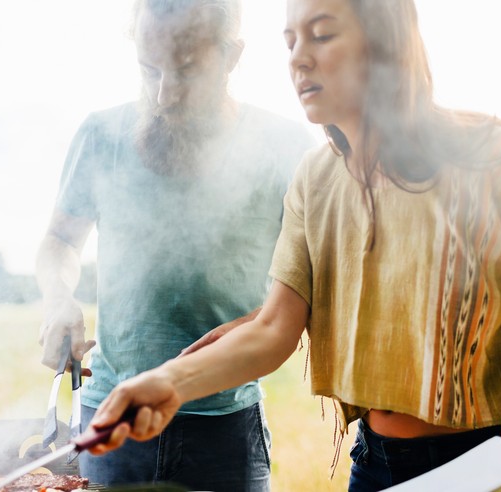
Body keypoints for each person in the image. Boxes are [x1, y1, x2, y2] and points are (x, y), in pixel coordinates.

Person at [83, 0, 501, 491]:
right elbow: (273, 329)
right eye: (289, 42)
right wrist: (169, 383)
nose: (298, 58)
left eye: (322, 34)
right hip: (372, 467)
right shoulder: (315, 179)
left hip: (485, 464)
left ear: (384, 41)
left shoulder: (492, 157)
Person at [35, 0, 315, 490]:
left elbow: (314, 288)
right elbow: (59, 240)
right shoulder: (101, 134)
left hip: (225, 426)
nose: (164, 94)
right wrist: (59, 298)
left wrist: (257, 324)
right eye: (149, 70)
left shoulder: (286, 147)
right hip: (111, 417)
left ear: (231, 57)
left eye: (186, 71)